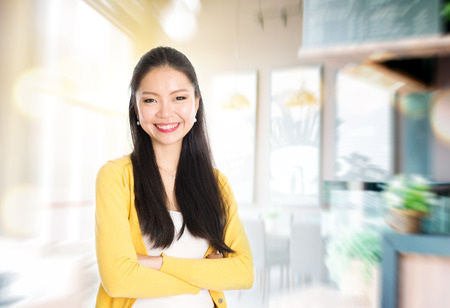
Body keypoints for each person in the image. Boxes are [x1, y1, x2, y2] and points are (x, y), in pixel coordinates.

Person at [95, 46, 254, 308]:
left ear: (196, 103)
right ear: (136, 108)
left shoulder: (217, 184)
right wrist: (205, 276)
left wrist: (158, 263)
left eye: (179, 98)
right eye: (150, 100)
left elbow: (244, 272)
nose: (165, 112)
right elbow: (118, 279)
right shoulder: (115, 177)